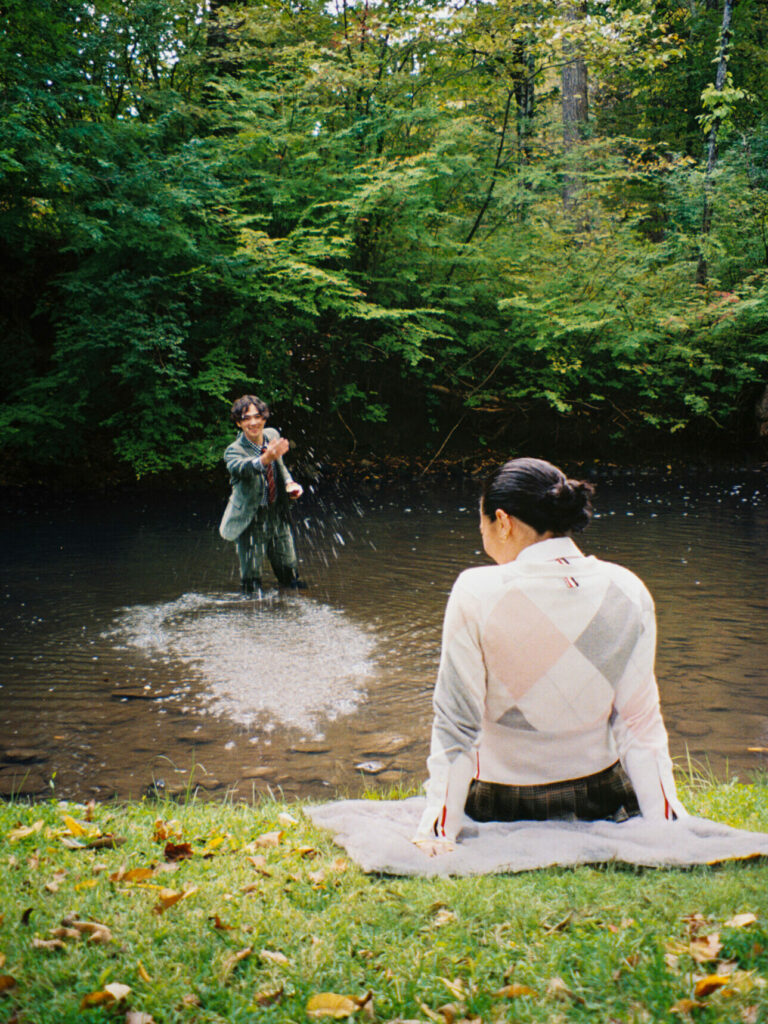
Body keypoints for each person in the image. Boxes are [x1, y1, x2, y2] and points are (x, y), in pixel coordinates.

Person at [413, 456, 686, 855]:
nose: (482, 535)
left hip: (499, 803)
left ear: (503, 521)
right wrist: (667, 826)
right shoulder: (628, 588)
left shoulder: (475, 591)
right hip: (601, 797)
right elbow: (639, 724)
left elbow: (457, 726)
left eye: (482, 523)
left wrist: (438, 832)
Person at [219, 395, 306, 594]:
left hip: (277, 514)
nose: (253, 422)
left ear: (264, 418)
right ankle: (250, 612)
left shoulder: (272, 434)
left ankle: (291, 607)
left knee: (290, 575)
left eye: (257, 416)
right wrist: (266, 458)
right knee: (251, 582)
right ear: (239, 423)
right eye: (246, 418)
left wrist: (289, 483)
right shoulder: (233, 451)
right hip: (251, 519)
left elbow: (280, 465)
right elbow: (244, 468)